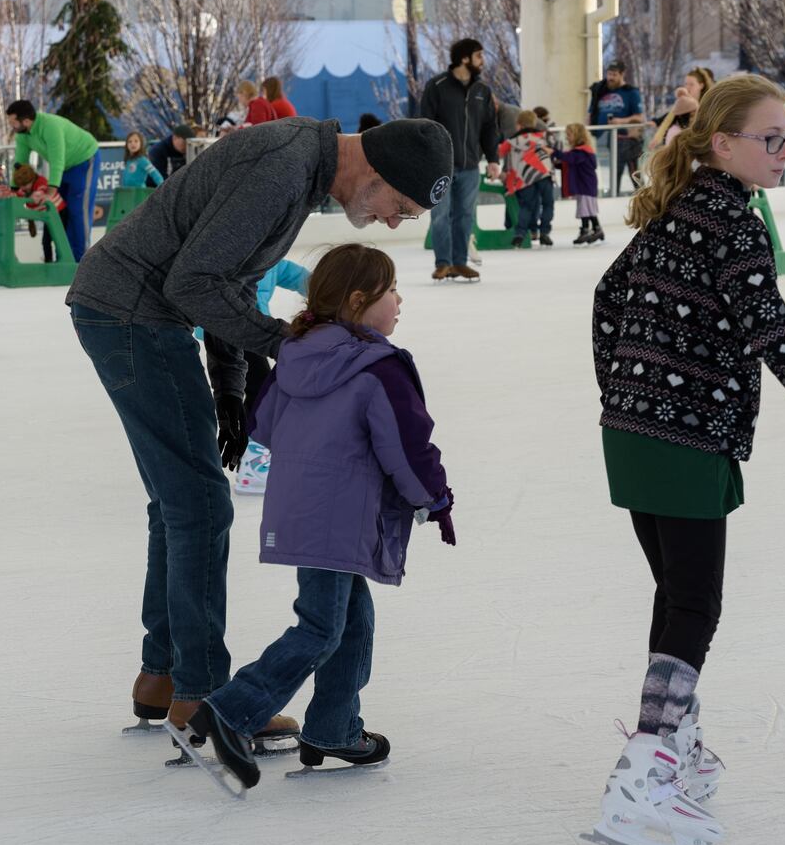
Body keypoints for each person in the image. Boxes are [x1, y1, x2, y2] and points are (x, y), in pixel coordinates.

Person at [66, 114, 454, 746]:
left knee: (179, 502)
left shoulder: (302, 170)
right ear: (378, 174)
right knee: (197, 506)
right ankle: (198, 691)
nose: (391, 222)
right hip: (133, 314)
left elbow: (227, 280)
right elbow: (193, 282)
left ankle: (162, 674)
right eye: (400, 208)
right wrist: (285, 344)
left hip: (138, 312)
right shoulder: (281, 165)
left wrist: (230, 383)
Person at [586, 74, 785, 845]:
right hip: (684, 432)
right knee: (697, 602)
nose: (783, 151)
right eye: (770, 138)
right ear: (722, 144)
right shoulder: (731, 222)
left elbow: (608, 297)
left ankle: (673, 740)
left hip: (634, 433)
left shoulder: (681, 209)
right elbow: (769, 326)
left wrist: (622, 386)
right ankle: (646, 770)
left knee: (676, 595)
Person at [178, 244, 455, 790]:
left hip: (300, 509)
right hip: (343, 515)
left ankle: (333, 727)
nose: (400, 300)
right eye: (390, 290)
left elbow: (264, 426)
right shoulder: (379, 367)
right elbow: (408, 446)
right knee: (322, 627)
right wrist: (435, 499)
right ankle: (228, 713)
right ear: (358, 301)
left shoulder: (297, 356)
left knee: (351, 620)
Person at [193, 257, 312, 496]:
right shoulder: (237, 257)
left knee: (261, 392)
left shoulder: (275, 261)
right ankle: (254, 466)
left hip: (255, 333)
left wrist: (336, 294)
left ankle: (255, 454)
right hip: (231, 330)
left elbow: (307, 281)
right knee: (262, 394)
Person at [419, 38, 502, 282]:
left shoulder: (482, 91)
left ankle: (459, 262)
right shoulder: (437, 86)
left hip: (470, 165)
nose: (482, 61)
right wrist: (429, 158)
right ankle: (443, 263)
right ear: (465, 58)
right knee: (440, 215)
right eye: (479, 56)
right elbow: (425, 124)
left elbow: (489, 128)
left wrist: (493, 159)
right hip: (441, 165)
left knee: (465, 215)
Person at [5, 99, 100, 262]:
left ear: (26, 121)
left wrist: (50, 191)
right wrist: (13, 190)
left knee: (78, 210)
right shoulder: (22, 135)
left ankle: (82, 260)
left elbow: (57, 160)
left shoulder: (50, 126)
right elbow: (21, 163)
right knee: (61, 211)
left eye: (13, 122)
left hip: (84, 159)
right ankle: (65, 257)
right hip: (65, 167)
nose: (11, 126)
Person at [498, 109, 556, 248]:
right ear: (534, 123)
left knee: (526, 206)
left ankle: (520, 234)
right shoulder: (545, 136)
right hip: (544, 173)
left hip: (524, 177)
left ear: (518, 125)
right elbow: (556, 148)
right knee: (548, 203)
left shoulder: (512, 141)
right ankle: (544, 232)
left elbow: (499, 152)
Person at [588, 59, 645, 195]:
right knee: (613, 174)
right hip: (604, 139)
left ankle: (644, 198)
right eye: (609, 74)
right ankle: (612, 196)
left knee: (634, 174)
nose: (610, 78)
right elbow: (590, 114)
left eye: (614, 74)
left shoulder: (631, 92)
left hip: (626, 139)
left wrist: (621, 121)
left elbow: (640, 117)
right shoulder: (600, 90)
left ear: (621, 74)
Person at [8, 162, 66, 264]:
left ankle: (60, 262)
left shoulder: (41, 182)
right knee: (45, 241)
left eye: (25, 185)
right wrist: (10, 194)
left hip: (60, 214)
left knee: (59, 240)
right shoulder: (25, 190)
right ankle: (48, 262)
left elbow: (38, 196)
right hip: (49, 217)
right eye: (21, 186)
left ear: (31, 179)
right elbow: (18, 195)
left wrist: (28, 197)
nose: (23, 188)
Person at [556, 122, 603, 245]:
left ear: (577, 135)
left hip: (585, 185)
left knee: (584, 209)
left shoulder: (582, 152)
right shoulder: (582, 152)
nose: (567, 138)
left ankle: (585, 230)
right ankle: (597, 229)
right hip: (586, 185)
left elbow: (570, 158)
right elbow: (570, 163)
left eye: (569, 135)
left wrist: (553, 152)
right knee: (589, 209)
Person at [650, 67, 715, 150]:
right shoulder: (682, 102)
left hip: (701, 144)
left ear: (701, 85)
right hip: (682, 146)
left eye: (691, 84)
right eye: (686, 84)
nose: (687, 87)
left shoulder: (708, 102)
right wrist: (656, 125)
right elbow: (671, 116)